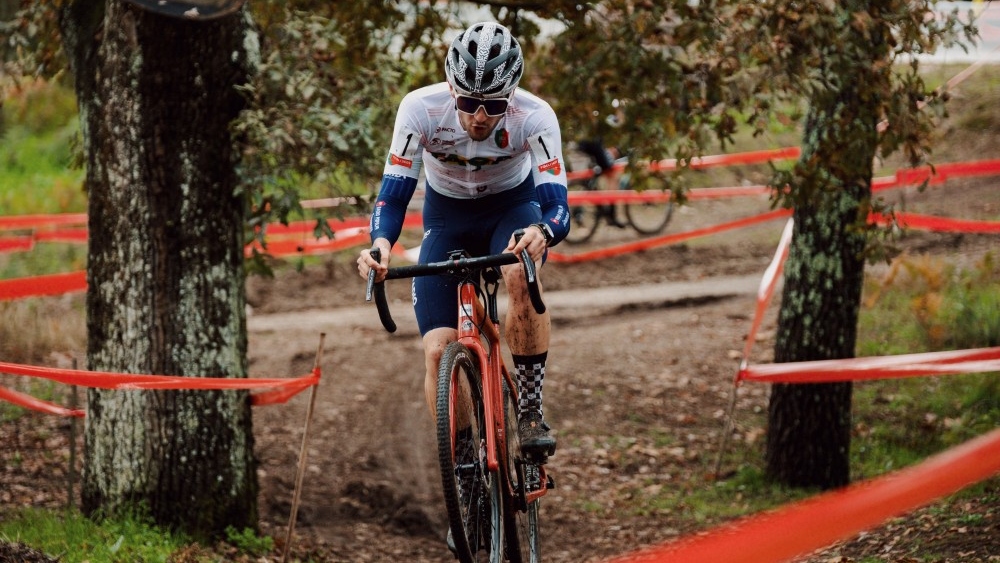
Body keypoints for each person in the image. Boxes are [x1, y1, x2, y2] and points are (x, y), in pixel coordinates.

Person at [356, 21, 569, 459]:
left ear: (510, 97)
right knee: (438, 351)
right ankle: (465, 462)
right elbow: (393, 195)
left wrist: (542, 232)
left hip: (511, 207)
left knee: (517, 273)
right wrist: (380, 246)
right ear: (452, 89)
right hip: (447, 216)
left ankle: (529, 409)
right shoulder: (420, 109)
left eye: (492, 106)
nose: (478, 116)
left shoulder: (535, 116)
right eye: (468, 102)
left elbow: (558, 206)